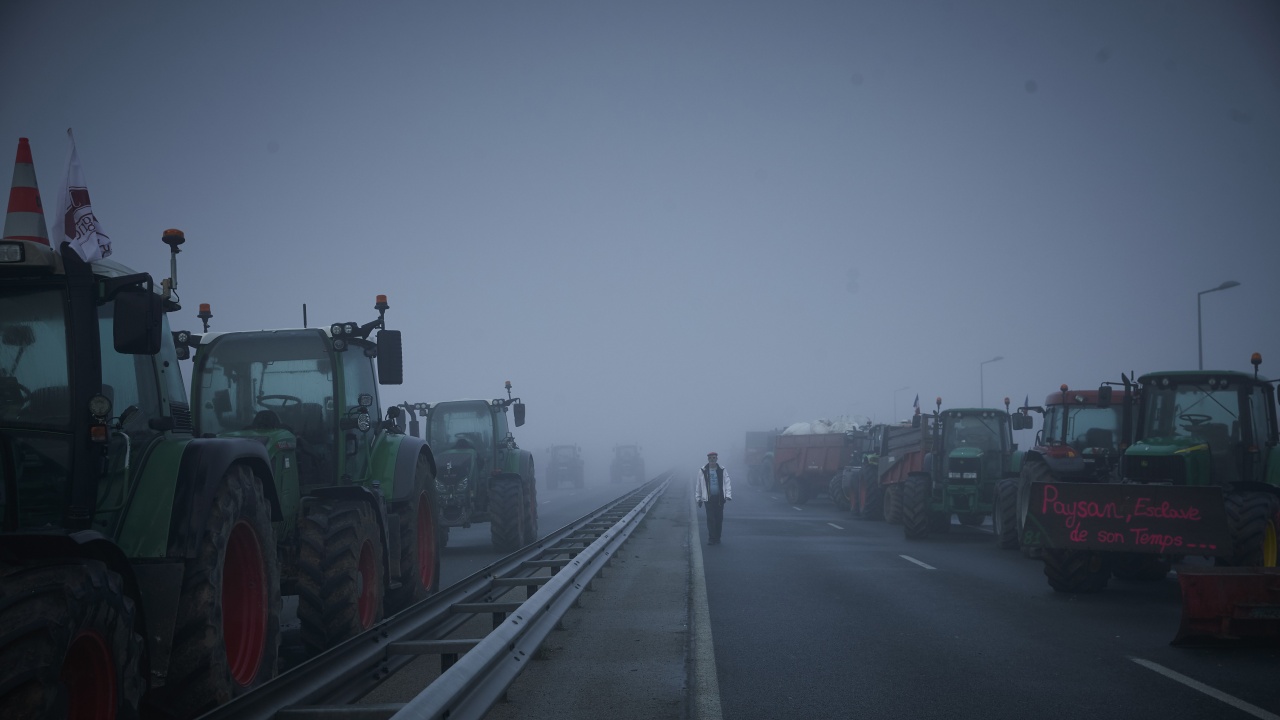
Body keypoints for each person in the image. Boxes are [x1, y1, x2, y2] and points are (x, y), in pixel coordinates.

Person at [695, 451, 733, 545]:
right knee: (711, 519)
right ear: (708, 459)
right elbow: (699, 485)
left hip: (720, 499)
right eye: (710, 458)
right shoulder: (703, 470)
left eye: (714, 458)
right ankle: (711, 538)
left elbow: (727, 482)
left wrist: (728, 495)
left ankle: (717, 537)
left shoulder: (722, 470)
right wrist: (698, 498)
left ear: (717, 459)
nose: (712, 460)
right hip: (708, 499)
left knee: (719, 519)